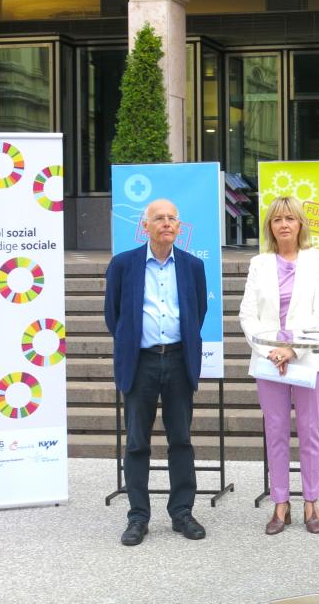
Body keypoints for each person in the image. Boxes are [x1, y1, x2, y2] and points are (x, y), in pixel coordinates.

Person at [104, 198, 208, 546]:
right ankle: (138, 517)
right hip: (141, 362)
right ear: (145, 226)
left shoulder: (192, 266)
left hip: (178, 360)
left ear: (179, 227)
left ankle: (182, 513)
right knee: (136, 442)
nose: (166, 223)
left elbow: (198, 312)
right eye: (158, 218)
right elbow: (113, 315)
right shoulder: (123, 265)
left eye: (172, 219)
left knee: (180, 440)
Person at [239, 196, 319, 535]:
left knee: (309, 432)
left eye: (290, 218)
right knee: (275, 432)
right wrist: (271, 351)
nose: (284, 225)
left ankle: (311, 501)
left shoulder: (318, 260)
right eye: (277, 219)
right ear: (270, 226)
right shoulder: (259, 263)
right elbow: (247, 314)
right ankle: (281, 503)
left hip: (305, 358)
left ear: (300, 224)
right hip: (268, 362)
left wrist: (291, 349)